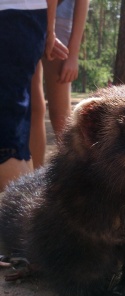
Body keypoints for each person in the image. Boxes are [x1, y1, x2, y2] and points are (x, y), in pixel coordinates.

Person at [0, 0, 69, 192]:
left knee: (6, 140)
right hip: (20, 19)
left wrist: (48, 28)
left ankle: (20, 219)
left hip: (14, 16)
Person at [30, 0, 89, 169]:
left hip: (61, 25)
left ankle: (74, 174)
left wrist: (73, 55)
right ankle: (36, 177)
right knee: (34, 108)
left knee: (60, 115)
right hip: (30, 19)